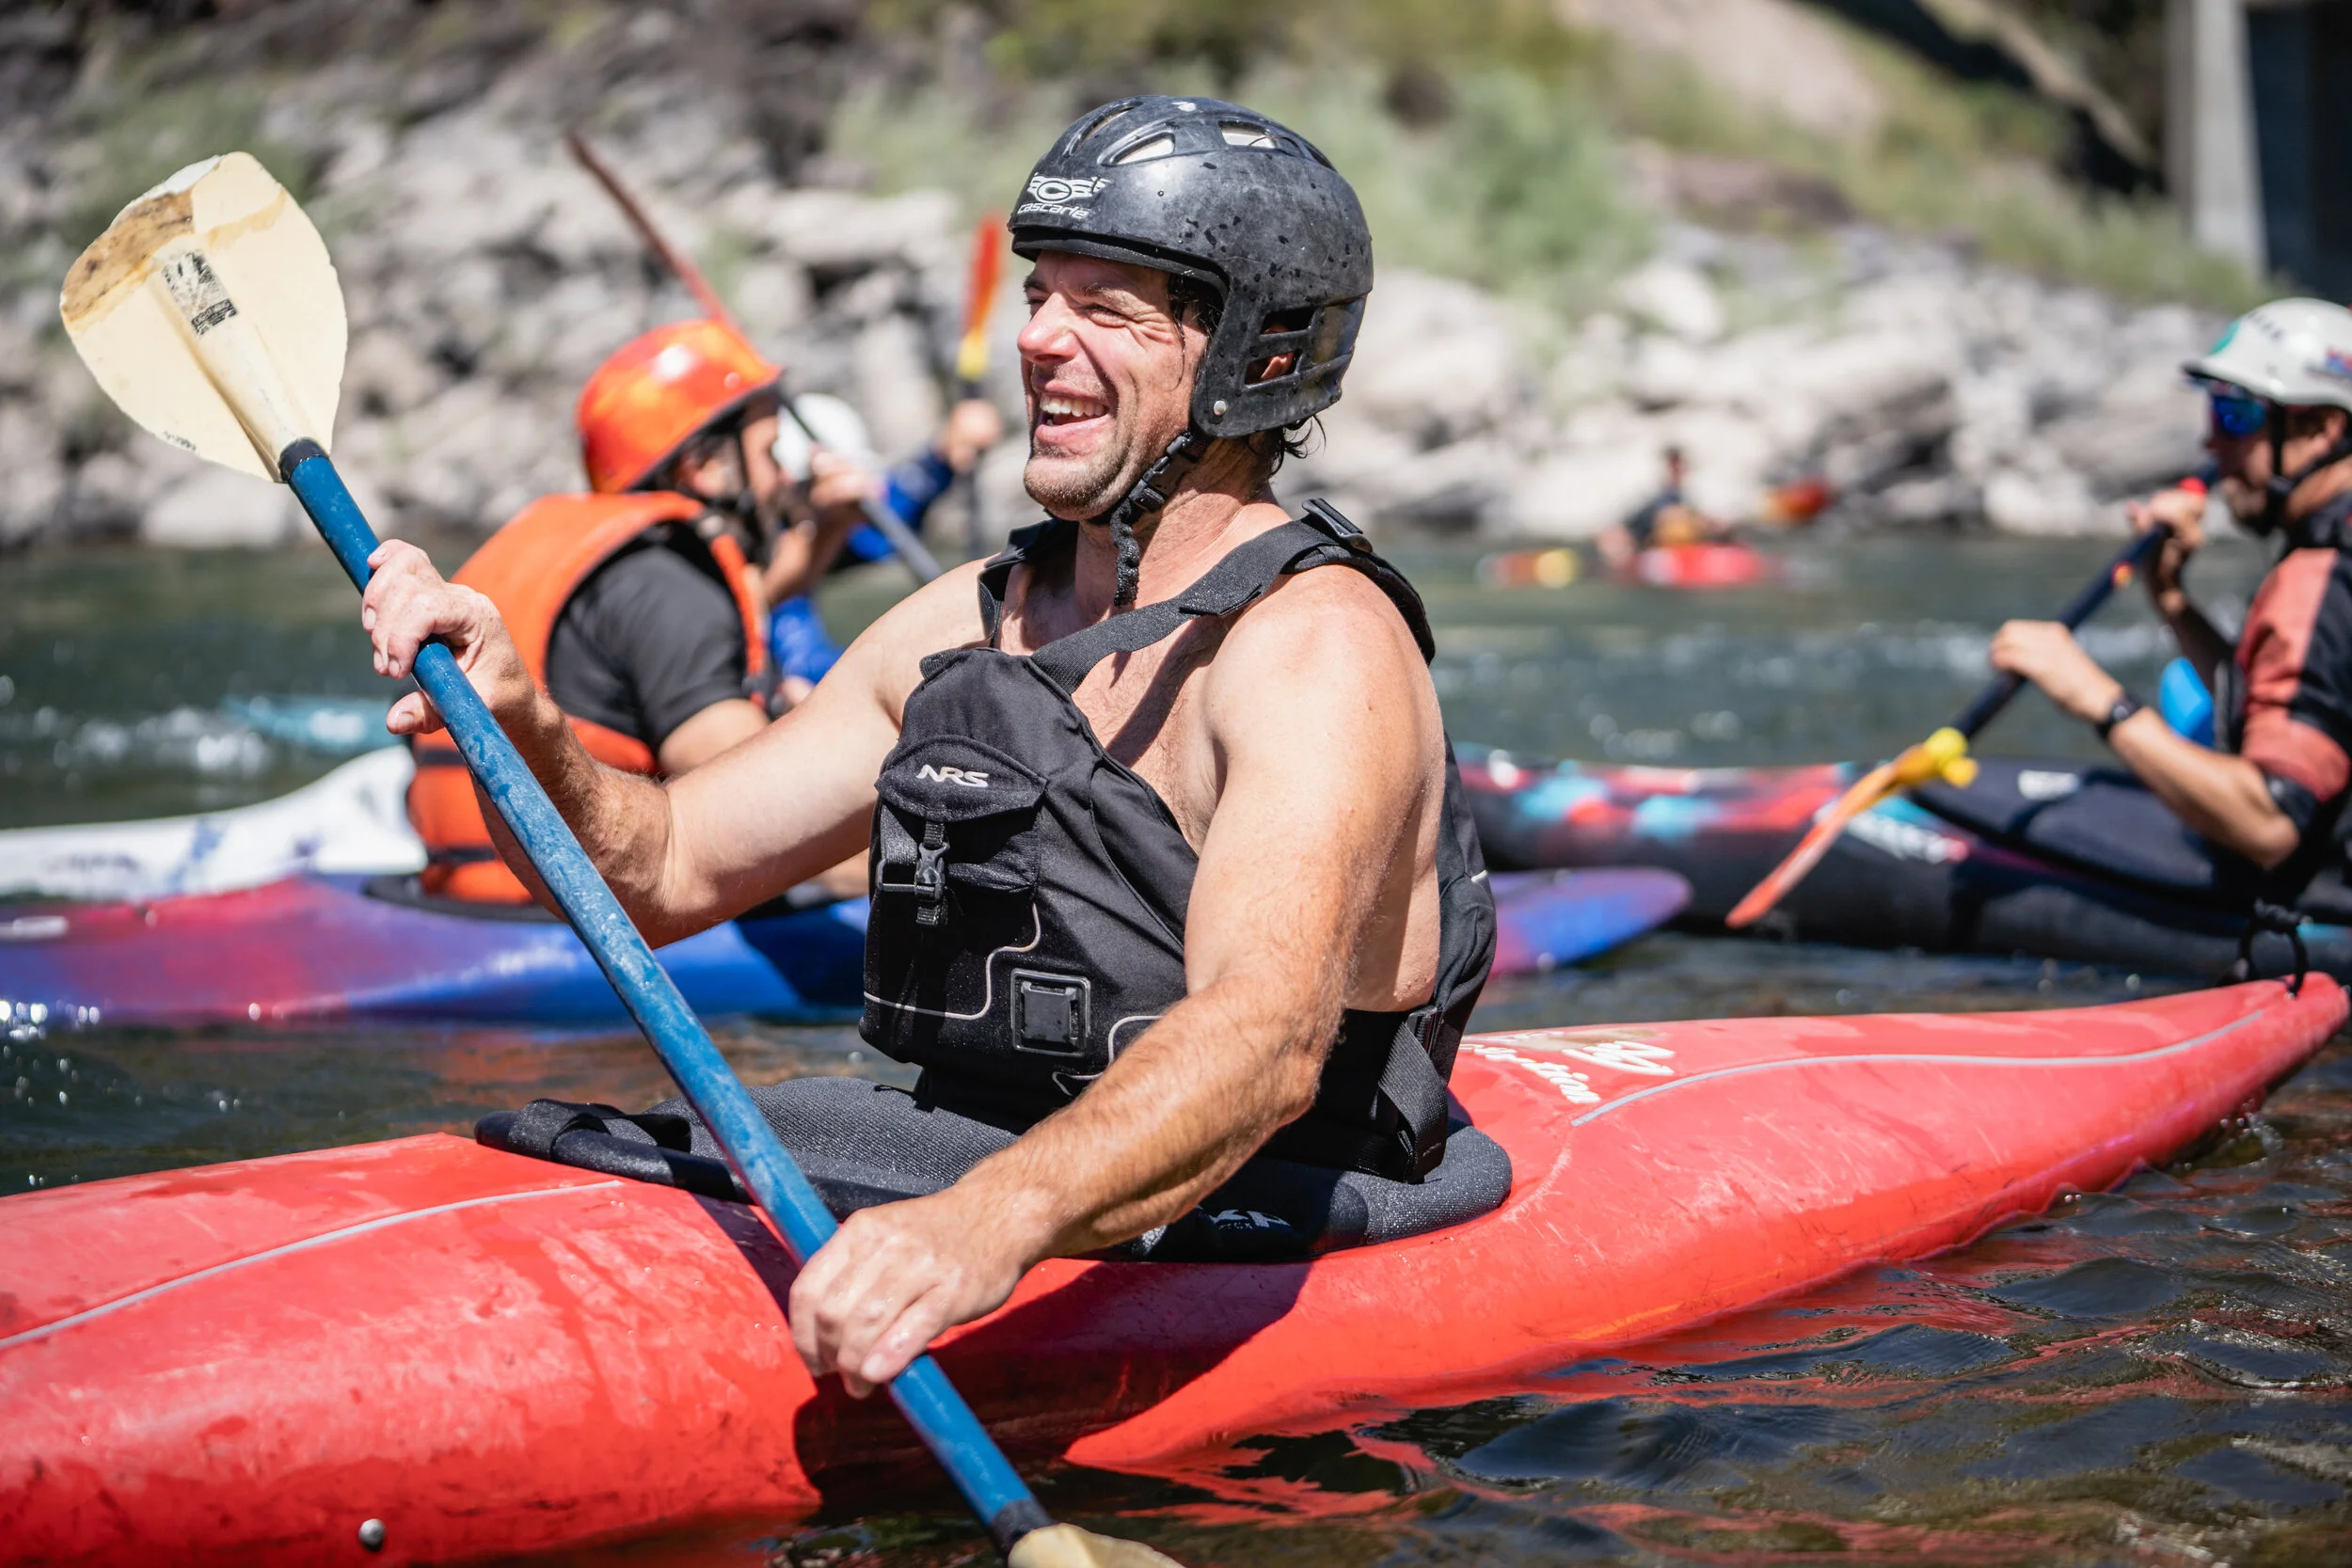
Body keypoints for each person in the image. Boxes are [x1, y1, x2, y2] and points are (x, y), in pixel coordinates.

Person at [362, 96, 1498, 1393]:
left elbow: (1264, 1038)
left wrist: (979, 1229)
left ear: (1254, 355)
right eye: (1040, 294)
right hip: (970, 1150)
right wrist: (518, 720)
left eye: (1105, 308)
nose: (1038, 339)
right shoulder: (957, 626)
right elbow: (657, 869)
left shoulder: (1313, 648)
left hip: (1255, 1185)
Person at [405, 319, 813, 902]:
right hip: (585, 923)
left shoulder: (552, 551)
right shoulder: (670, 585)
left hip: (460, 900)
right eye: (771, 454)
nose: (785, 478)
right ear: (706, 467)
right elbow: (766, 822)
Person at [1989, 298, 2352, 899]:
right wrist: (2168, 595)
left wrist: (2099, 699)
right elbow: (2290, 705)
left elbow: (2271, 822)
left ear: (2320, 430)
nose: (2213, 442)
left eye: (2236, 416)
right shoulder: (2328, 552)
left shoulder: (2323, 577)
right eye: (2213, 410)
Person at [763, 393, 1006, 700]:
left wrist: (942, 457)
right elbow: (801, 662)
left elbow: (887, 516)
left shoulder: (830, 531)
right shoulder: (760, 561)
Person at [1596, 446, 1727, 568]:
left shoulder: (1693, 496)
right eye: (1673, 466)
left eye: (1678, 466)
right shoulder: (1650, 499)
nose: (1676, 470)